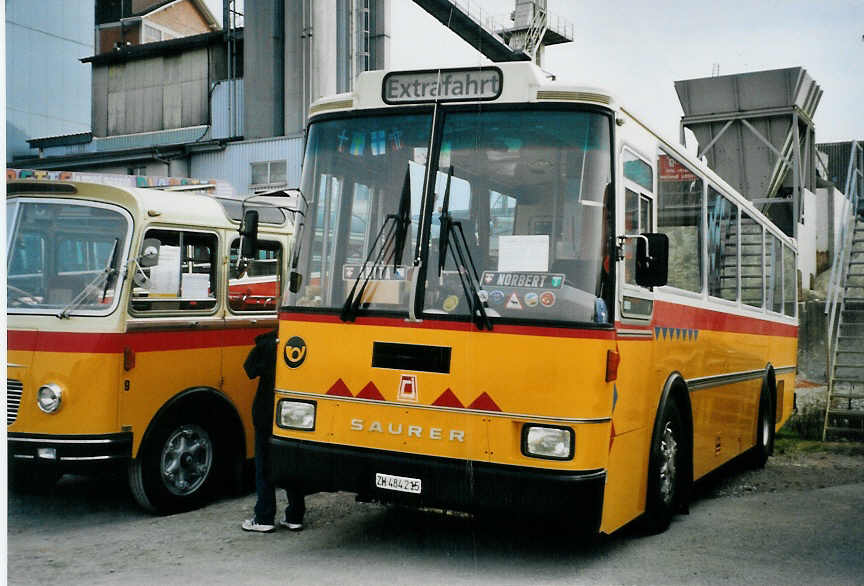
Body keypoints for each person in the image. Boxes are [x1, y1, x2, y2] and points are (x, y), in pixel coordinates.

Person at [241, 330, 306, 533]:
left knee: (264, 466)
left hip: (266, 411)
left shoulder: (267, 342)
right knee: (293, 463)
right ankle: (295, 515)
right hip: (298, 412)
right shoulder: (309, 338)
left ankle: (264, 517)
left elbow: (249, 369)